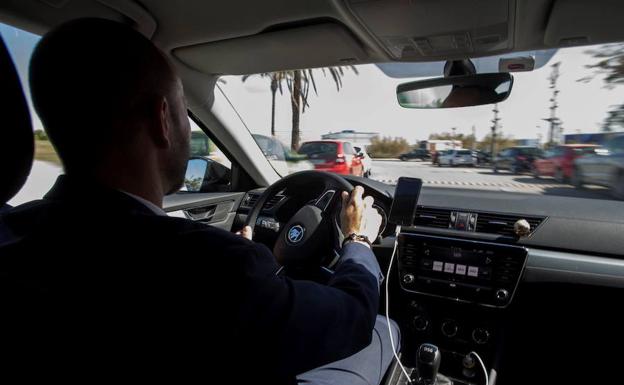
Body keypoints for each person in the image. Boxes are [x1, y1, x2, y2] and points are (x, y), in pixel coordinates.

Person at [0, 18, 399, 384]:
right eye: (182, 110)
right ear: (162, 120)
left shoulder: (13, 232)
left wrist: (250, 272)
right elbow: (353, 316)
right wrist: (358, 242)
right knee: (384, 329)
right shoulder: (212, 270)